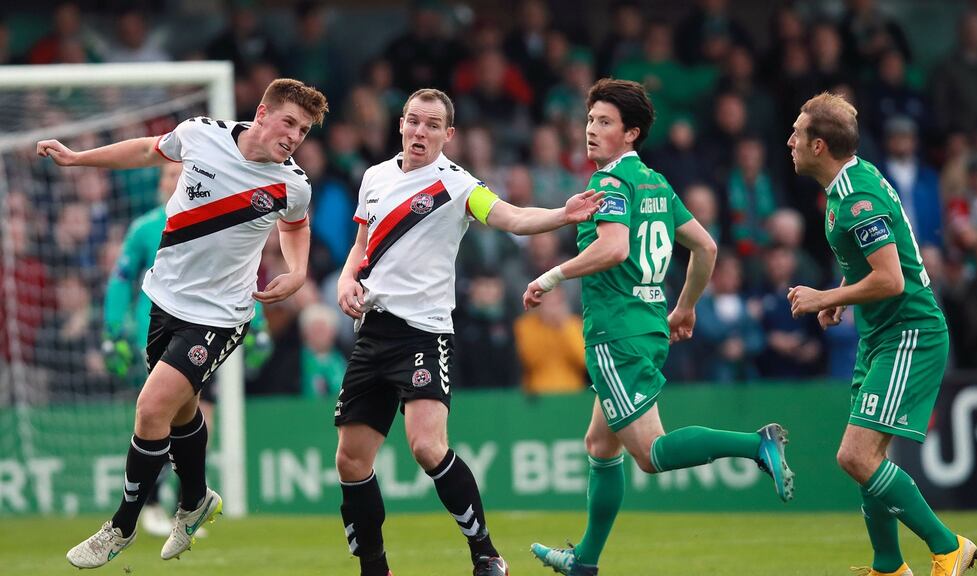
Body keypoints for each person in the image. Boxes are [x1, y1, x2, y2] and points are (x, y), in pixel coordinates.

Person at [39, 78, 328, 569]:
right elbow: (149, 151)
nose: (295, 135)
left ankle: (121, 527)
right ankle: (195, 500)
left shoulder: (292, 184)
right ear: (262, 112)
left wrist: (297, 272)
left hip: (220, 317)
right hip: (163, 300)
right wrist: (77, 157)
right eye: (289, 122)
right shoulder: (201, 134)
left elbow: (295, 226)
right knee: (179, 413)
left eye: (302, 130)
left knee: (151, 407)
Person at [524, 79, 793, 576]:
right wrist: (685, 308)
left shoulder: (609, 183)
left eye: (604, 122)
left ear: (631, 133)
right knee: (600, 445)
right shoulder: (656, 182)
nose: (591, 130)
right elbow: (706, 248)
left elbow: (614, 248)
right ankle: (584, 560)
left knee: (650, 454)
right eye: (589, 120)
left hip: (615, 333)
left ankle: (756, 443)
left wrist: (551, 276)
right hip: (648, 326)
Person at [333, 88, 603, 576]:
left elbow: (512, 218)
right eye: (414, 121)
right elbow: (361, 245)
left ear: (448, 135)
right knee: (351, 461)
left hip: (423, 333)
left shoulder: (456, 185)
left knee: (426, 446)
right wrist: (347, 277)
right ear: (400, 124)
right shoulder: (374, 177)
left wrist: (563, 213)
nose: (420, 131)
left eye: (432, 125)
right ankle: (375, 567)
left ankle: (486, 554)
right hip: (372, 331)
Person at [786, 92, 977, 576]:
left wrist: (825, 297)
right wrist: (846, 295)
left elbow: (892, 278)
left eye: (797, 132)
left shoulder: (856, 197)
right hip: (880, 335)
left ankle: (949, 545)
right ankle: (889, 567)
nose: (789, 139)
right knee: (868, 456)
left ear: (819, 146)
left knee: (854, 456)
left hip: (909, 333)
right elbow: (871, 269)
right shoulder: (845, 185)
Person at [101, 162, 272, 536]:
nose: (170, 183)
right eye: (165, 178)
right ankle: (156, 504)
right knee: (157, 415)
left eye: (176, 177)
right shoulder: (145, 228)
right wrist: (113, 332)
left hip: (202, 331)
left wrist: (257, 324)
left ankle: (180, 504)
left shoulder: (213, 223)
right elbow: (121, 281)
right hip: (154, 332)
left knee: (197, 419)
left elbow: (234, 276)